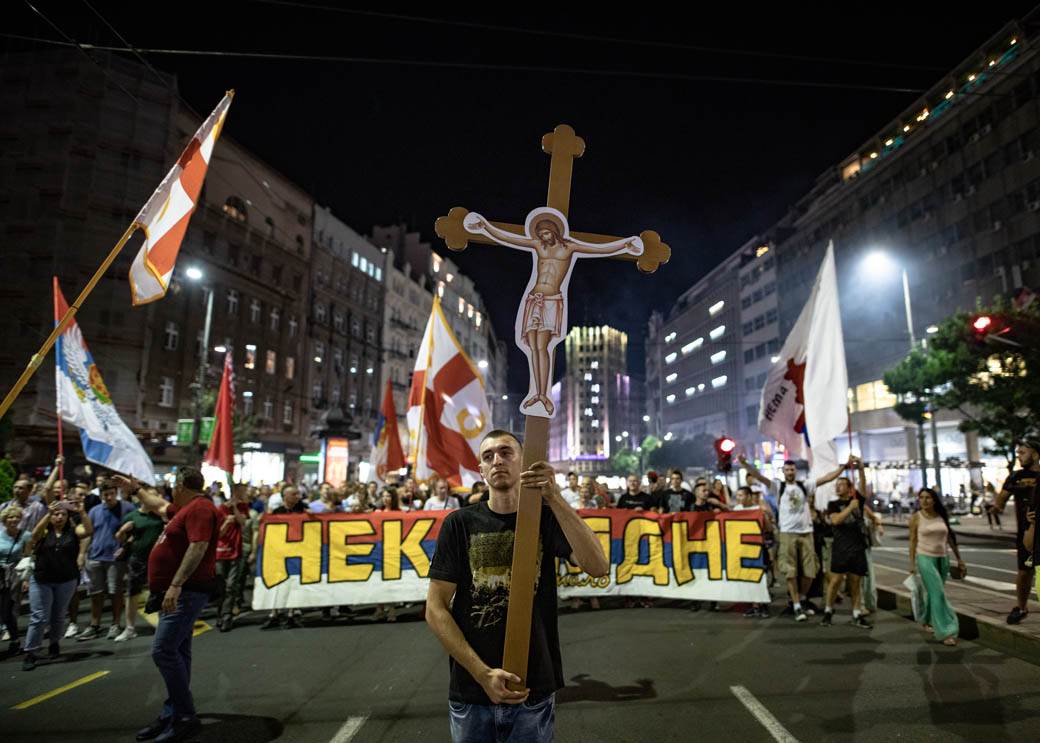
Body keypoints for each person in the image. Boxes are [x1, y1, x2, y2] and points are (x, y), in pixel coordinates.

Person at [426, 430, 609, 742]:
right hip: (472, 690)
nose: (497, 460)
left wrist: (554, 497)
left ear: (524, 461)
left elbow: (597, 566)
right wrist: (482, 674)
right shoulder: (459, 524)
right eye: (488, 456)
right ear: (481, 471)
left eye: (506, 452)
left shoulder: (546, 518)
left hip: (533, 688)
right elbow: (435, 608)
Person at [117, 467, 221, 743]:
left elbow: (197, 546)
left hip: (185, 591)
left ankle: (185, 715)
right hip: (178, 591)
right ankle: (172, 712)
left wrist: (175, 584)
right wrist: (136, 488)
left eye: (174, 485)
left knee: (163, 651)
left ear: (181, 486)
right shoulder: (186, 508)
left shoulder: (199, 509)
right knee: (178, 651)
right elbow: (159, 505)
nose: (171, 491)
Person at [740, 455, 851, 622]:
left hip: (806, 532)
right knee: (790, 572)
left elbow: (827, 478)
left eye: (792, 469)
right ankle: (797, 605)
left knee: (811, 570)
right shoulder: (778, 486)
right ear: (783, 472)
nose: (790, 472)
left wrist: (843, 468)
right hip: (787, 533)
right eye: (787, 470)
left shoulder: (804, 485)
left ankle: (802, 598)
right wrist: (744, 463)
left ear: (795, 471)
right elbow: (759, 476)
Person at [22, 500, 93, 670]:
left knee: (59, 615)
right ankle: (31, 652)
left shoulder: (73, 531)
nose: (59, 517)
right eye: (56, 514)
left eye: (63, 514)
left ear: (68, 517)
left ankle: (54, 643)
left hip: (66, 579)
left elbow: (89, 530)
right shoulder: (45, 531)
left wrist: (82, 512)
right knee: (39, 616)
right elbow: (34, 535)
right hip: (42, 579)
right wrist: (48, 513)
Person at [78, 479, 135, 641]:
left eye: (111, 494)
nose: (108, 497)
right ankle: (94, 625)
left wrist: (125, 547)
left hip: (115, 559)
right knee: (96, 594)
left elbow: (135, 532)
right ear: (101, 495)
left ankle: (115, 624)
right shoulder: (95, 511)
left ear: (116, 492)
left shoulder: (127, 508)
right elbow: (89, 534)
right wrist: (82, 554)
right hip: (95, 556)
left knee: (115, 593)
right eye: (105, 495)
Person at [991, 438, 1040, 625]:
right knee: (1024, 571)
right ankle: (1021, 607)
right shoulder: (1015, 477)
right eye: (1018, 453)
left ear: (1035, 454)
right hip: (1026, 531)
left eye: (1022, 452)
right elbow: (1002, 499)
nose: (1018, 456)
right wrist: (997, 507)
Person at [908, 487, 964, 646]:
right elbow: (912, 541)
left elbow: (950, 538)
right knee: (938, 593)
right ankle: (946, 630)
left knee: (934, 594)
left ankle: (926, 619)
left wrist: (959, 559)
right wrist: (912, 563)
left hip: (943, 559)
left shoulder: (941, 515)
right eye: (921, 498)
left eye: (928, 498)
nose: (924, 501)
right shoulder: (916, 518)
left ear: (934, 500)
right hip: (925, 558)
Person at [821, 470, 872, 629]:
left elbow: (863, 486)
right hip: (841, 548)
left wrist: (861, 468)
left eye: (841, 484)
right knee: (835, 581)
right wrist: (850, 508)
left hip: (857, 547)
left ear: (850, 488)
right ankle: (828, 612)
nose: (838, 487)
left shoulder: (857, 500)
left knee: (855, 582)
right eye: (836, 485)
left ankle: (856, 614)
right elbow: (835, 520)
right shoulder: (833, 505)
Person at [114, 492, 167, 642]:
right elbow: (120, 539)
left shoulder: (160, 516)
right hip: (137, 558)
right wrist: (123, 530)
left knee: (158, 591)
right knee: (132, 592)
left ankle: (162, 626)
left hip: (158, 559)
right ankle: (130, 628)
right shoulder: (132, 516)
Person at [215, 484, 251, 632]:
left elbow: (243, 523)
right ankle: (220, 613)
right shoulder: (220, 509)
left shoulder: (243, 507)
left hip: (236, 551)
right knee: (220, 584)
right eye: (241, 491)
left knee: (231, 585)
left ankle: (226, 616)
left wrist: (235, 508)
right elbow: (218, 534)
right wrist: (226, 522)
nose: (244, 493)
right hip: (220, 551)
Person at [1, 504, 30, 655]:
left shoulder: (25, 535)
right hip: (0, 574)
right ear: (4, 520)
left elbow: (29, 557)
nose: (13, 520)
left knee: (8, 610)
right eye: (10, 517)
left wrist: (27, 579)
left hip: (14, 577)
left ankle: (14, 640)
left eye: (17, 517)